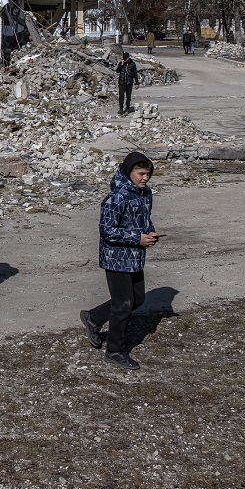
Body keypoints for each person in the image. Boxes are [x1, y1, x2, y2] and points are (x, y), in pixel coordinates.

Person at [80, 151, 158, 370]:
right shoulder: (117, 197)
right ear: (129, 172)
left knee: (137, 299)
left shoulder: (145, 193)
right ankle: (114, 351)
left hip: (135, 255)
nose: (145, 178)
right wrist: (137, 238)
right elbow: (106, 231)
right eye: (141, 173)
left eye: (148, 174)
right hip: (116, 257)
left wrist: (149, 234)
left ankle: (93, 318)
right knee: (124, 304)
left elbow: (144, 220)